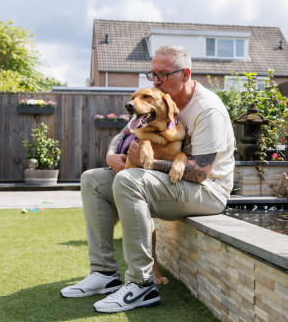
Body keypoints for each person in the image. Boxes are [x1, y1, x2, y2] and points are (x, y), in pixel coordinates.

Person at [60, 44, 235, 313]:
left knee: (130, 181)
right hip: (174, 183)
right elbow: (124, 134)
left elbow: (201, 172)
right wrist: (110, 155)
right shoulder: (155, 100)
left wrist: (152, 163)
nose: (156, 81)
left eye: (163, 74)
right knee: (92, 179)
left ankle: (142, 285)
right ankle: (105, 274)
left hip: (208, 191)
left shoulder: (207, 110)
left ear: (185, 74)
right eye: (153, 73)